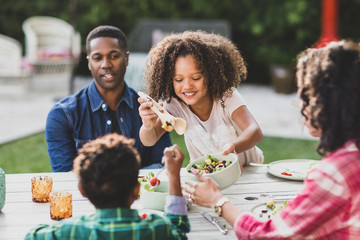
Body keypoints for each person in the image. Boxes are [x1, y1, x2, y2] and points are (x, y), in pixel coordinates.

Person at [182, 40, 360, 239]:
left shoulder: (334, 175)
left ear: (330, 103)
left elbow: (266, 235)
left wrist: (217, 201)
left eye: (307, 96)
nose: (301, 105)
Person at [45, 25, 171, 172]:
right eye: (97, 58)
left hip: (140, 195)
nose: (106, 64)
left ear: (127, 58)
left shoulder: (152, 110)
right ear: (89, 63)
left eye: (114, 56)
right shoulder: (62, 115)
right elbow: (64, 176)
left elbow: (163, 165)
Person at [25, 133, 190, 239]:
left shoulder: (73, 231)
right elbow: (178, 229)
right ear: (137, 189)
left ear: (82, 190)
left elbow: (32, 236)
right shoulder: (156, 229)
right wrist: (174, 175)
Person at [138, 31, 264, 166]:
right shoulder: (175, 106)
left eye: (196, 78)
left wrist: (233, 147)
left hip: (250, 170)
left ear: (211, 74)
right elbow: (149, 140)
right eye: (178, 79)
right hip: (207, 175)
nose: (187, 86)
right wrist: (148, 125)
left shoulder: (226, 96)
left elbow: (255, 132)